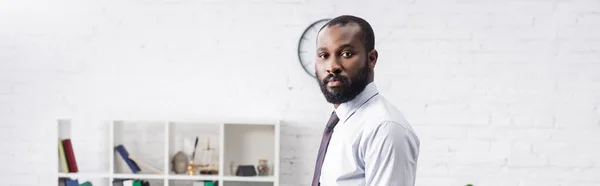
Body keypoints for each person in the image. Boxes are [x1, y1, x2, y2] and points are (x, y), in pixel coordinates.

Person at [311, 15, 420, 186]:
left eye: (346, 53)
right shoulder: (342, 122)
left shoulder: (384, 128)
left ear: (371, 59)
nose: (332, 66)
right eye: (324, 55)